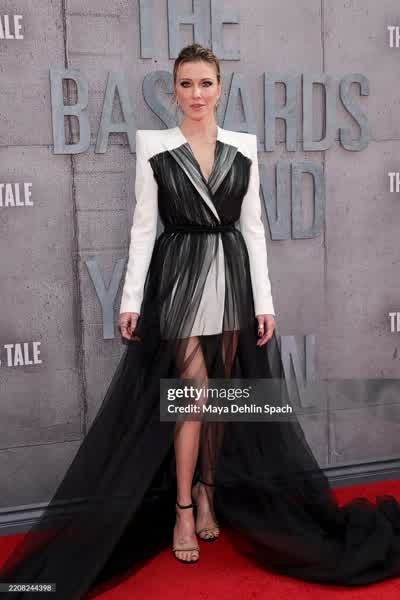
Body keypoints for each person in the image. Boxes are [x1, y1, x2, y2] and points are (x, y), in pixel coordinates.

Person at [1, 43, 400, 599]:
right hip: (180, 274)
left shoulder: (244, 146)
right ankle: (183, 508)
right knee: (193, 392)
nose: (196, 94)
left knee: (221, 397)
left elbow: (254, 229)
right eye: (186, 84)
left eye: (205, 83)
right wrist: (130, 299)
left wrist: (265, 303)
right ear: (174, 90)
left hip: (231, 275)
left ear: (220, 88)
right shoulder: (155, 146)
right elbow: (144, 229)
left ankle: (210, 491)